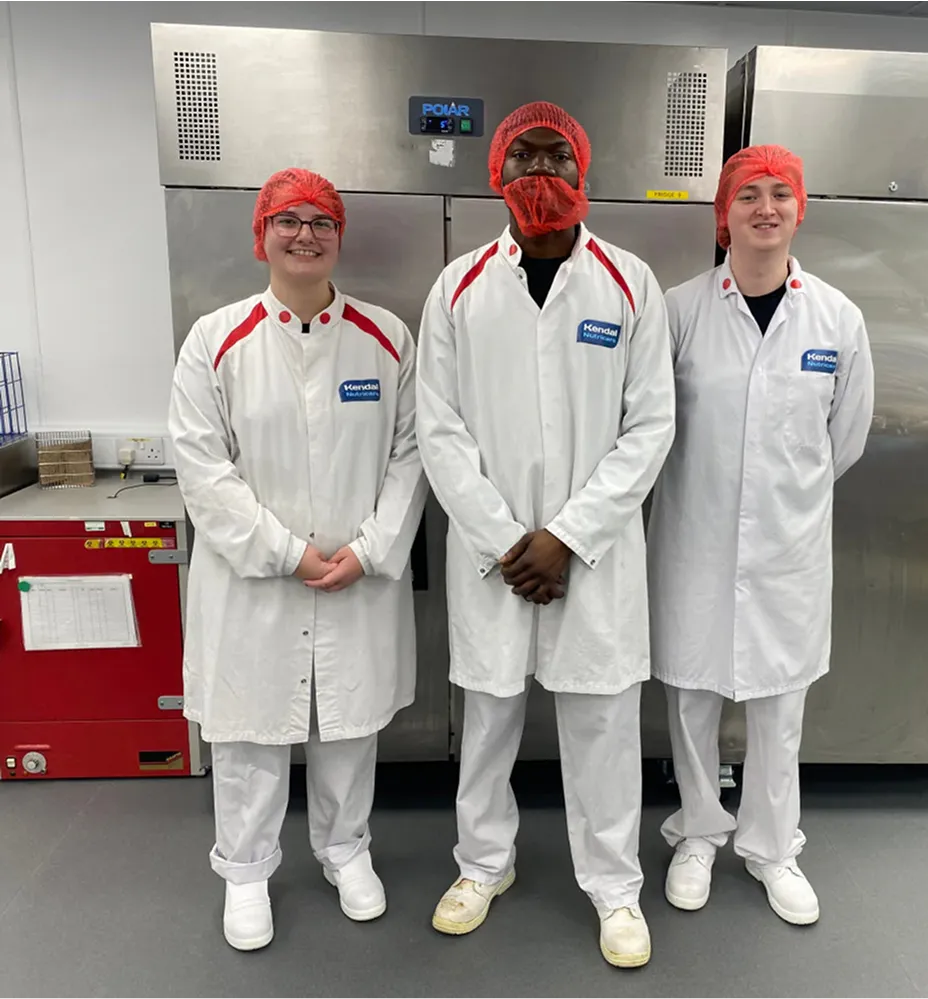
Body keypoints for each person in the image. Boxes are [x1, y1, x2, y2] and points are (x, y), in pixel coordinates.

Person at [415, 101, 675, 968]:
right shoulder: (457, 287)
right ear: (496, 173)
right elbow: (439, 429)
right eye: (522, 154)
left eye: (555, 154)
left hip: (592, 553)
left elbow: (651, 426)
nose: (539, 169)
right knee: (488, 717)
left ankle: (614, 886)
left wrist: (566, 534)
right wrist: (506, 539)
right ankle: (483, 864)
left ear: (581, 169)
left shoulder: (630, 283)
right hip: (494, 557)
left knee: (603, 722)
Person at [168, 167, 427, 951]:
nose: (305, 235)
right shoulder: (217, 340)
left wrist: (371, 549)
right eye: (288, 220)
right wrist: (286, 553)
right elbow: (201, 468)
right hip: (255, 581)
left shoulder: (387, 338)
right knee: (247, 726)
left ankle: (346, 850)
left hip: (356, 572)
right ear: (262, 235)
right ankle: (246, 870)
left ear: (339, 236)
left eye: (321, 222)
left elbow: (414, 454)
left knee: (347, 723)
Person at [647, 145, 875, 926]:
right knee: (692, 697)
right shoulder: (679, 311)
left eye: (780, 194)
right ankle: (699, 831)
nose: (765, 208)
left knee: (781, 706)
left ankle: (774, 846)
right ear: (724, 214)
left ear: (800, 209)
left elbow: (845, 439)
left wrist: (781, 498)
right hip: (694, 542)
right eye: (748, 195)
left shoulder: (837, 319)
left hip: (788, 551)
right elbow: (651, 425)